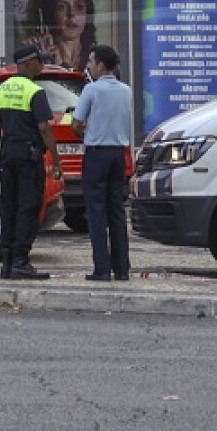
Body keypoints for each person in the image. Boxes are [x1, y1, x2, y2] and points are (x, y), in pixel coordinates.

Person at [0, 45, 55, 280]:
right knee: (28, 207)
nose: (42, 65)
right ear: (28, 63)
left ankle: (6, 263)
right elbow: (45, 128)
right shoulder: (34, 91)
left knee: (10, 206)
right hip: (28, 156)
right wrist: (55, 160)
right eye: (39, 61)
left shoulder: (2, 89)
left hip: (7, 155)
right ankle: (21, 261)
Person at [71, 44, 133, 282]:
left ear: (101, 65)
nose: (88, 65)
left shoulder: (91, 90)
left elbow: (76, 123)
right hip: (118, 154)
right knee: (116, 211)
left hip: (97, 154)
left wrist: (85, 132)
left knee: (96, 213)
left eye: (91, 61)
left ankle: (102, 269)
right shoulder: (125, 90)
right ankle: (122, 268)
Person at [25, 0, 96, 69]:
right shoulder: (39, 55)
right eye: (61, 7)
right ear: (51, 14)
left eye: (79, 7)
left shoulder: (97, 57)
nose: (71, 14)